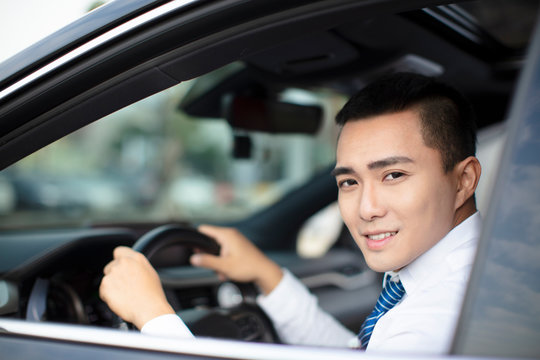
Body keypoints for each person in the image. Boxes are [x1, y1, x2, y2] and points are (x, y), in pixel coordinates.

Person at [99, 72, 482, 354]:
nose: (367, 209)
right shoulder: (460, 275)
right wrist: (268, 276)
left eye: (393, 175)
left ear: (464, 180)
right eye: (349, 182)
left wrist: (153, 316)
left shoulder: (434, 323)